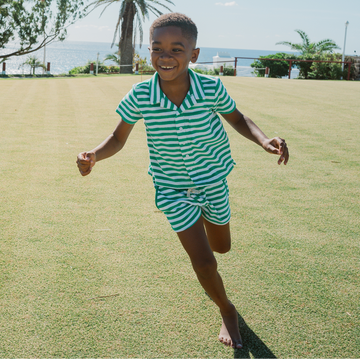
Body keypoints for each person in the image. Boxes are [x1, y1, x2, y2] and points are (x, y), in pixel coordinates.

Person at [76, 13, 289, 350]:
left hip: (213, 181)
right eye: (158, 48)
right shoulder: (141, 95)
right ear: (149, 52)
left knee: (222, 247)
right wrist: (93, 156)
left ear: (194, 54)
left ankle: (205, 226)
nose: (166, 56)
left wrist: (264, 140)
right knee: (205, 261)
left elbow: (238, 118)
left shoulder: (211, 88)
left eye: (177, 49)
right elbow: (117, 138)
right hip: (172, 189)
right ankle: (227, 310)